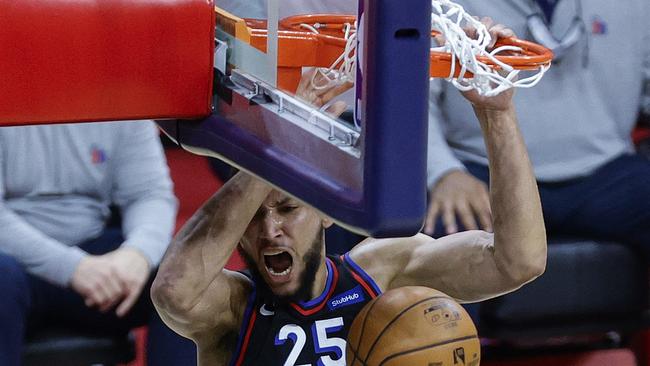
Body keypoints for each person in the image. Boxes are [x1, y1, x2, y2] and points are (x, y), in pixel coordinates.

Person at [151, 23, 547, 365]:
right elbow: (173, 290)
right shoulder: (232, 308)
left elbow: (518, 262)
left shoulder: (380, 271)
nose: (270, 230)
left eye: (287, 209)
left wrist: (497, 115)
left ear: (326, 209)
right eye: (254, 216)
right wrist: (280, 138)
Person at [424, 0, 650, 251]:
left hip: (606, 172)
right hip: (482, 169)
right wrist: (443, 173)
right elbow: (409, 100)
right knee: (442, 230)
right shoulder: (444, 6)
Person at [0, 121, 195, 365]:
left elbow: (148, 194)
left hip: (95, 258)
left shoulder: (121, 101)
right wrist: (73, 268)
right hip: (14, 264)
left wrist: (137, 255)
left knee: (183, 272)